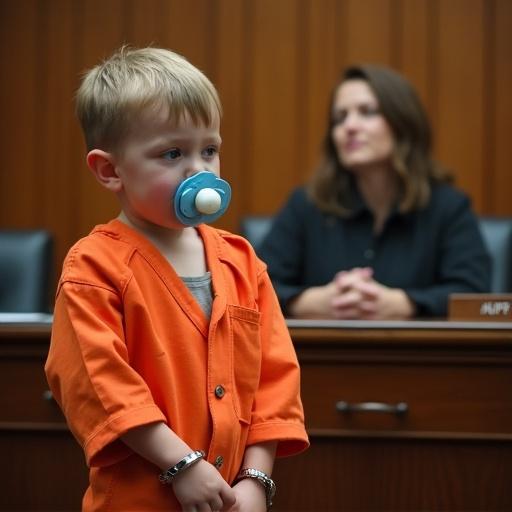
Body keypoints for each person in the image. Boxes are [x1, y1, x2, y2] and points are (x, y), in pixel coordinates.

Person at [45, 46, 308, 512]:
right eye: (172, 153)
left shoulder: (242, 262)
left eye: (209, 149)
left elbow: (275, 380)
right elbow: (98, 384)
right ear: (110, 170)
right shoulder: (94, 267)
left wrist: (256, 478)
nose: (199, 170)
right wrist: (182, 464)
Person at [258, 64, 490, 320]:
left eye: (367, 112)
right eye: (340, 117)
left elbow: (473, 294)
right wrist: (310, 302)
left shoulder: (449, 208)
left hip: (418, 357)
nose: (350, 126)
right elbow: (254, 286)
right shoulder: (306, 204)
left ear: (403, 123)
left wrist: (407, 304)